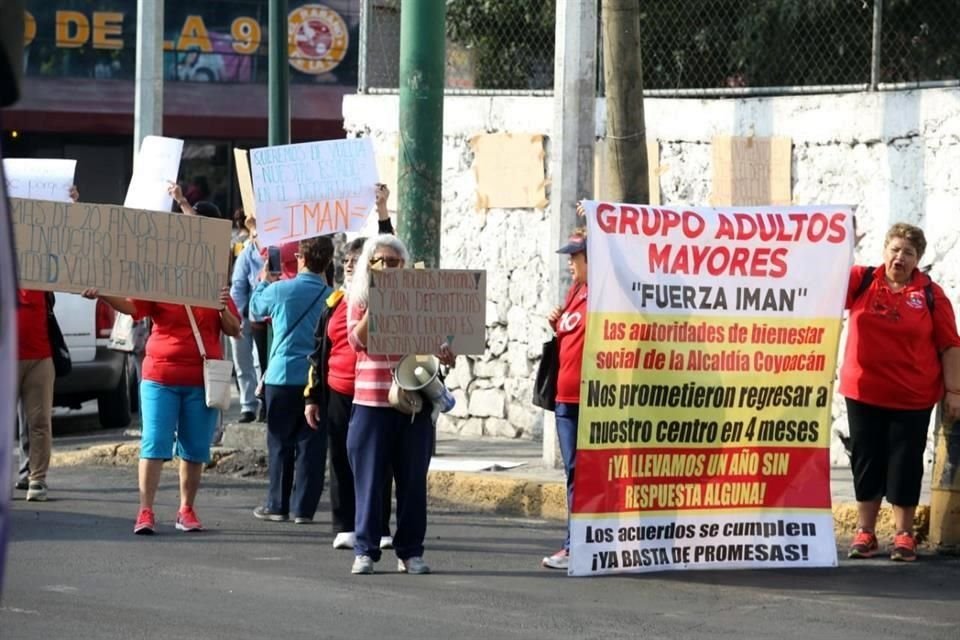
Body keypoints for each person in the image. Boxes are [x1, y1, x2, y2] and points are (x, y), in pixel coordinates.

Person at [85, 201, 241, 534]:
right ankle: (145, 511)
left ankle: (186, 510)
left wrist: (220, 306)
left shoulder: (216, 281)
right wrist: (103, 295)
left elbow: (233, 328)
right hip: (160, 376)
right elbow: (134, 308)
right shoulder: (162, 274)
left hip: (201, 379)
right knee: (154, 443)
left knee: (195, 448)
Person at [841, 222, 960, 562]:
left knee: (905, 463)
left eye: (908, 252)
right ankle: (865, 533)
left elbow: (951, 345)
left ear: (918, 259)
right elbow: (825, 283)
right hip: (863, 391)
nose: (900, 257)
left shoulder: (931, 295)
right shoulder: (862, 280)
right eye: (894, 249)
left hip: (912, 396)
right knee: (865, 459)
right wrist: (841, 246)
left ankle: (904, 535)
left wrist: (955, 391)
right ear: (884, 251)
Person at [345, 234, 456, 575]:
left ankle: (410, 551)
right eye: (383, 262)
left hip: (413, 405)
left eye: (396, 263)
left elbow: (437, 348)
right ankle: (365, 549)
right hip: (370, 403)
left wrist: (446, 353)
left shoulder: (420, 302)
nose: (391, 268)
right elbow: (356, 342)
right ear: (370, 266)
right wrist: (381, 303)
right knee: (369, 481)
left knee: (412, 482)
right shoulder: (360, 298)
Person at [305, 185, 396, 550]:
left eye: (355, 264)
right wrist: (312, 396)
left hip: (372, 391)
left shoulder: (381, 298)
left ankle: (380, 527)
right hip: (338, 390)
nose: (348, 268)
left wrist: (383, 210)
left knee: (379, 462)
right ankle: (345, 524)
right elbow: (318, 353)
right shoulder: (335, 301)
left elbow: (390, 254)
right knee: (340, 457)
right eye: (344, 264)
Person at [250, 236, 334, 524]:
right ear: (329, 261)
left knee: (279, 442)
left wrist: (263, 280)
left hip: (282, 376)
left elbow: (255, 310)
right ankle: (303, 509)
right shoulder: (332, 297)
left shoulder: (280, 290)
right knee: (312, 445)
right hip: (317, 380)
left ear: (300, 258)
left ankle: (277, 504)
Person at [15, 184, 79, 500]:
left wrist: (70, 209)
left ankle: (37, 480)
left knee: (39, 421)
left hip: (40, 356)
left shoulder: (44, 263)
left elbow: (69, 249)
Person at [541, 227, 588, 570]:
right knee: (574, 472)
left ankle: (580, 545)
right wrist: (557, 324)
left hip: (592, 400)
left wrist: (595, 219)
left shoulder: (604, 293)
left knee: (588, 474)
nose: (570, 263)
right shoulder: (575, 291)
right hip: (565, 399)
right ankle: (575, 543)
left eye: (576, 256)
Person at [229, 215, 264, 423]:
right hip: (243, 315)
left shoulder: (275, 252)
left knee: (260, 362)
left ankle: (262, 403)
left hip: (264, 318)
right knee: (243, 361)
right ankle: (247, 405)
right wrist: (239, 315)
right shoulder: (246, 253)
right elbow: (238, 285)